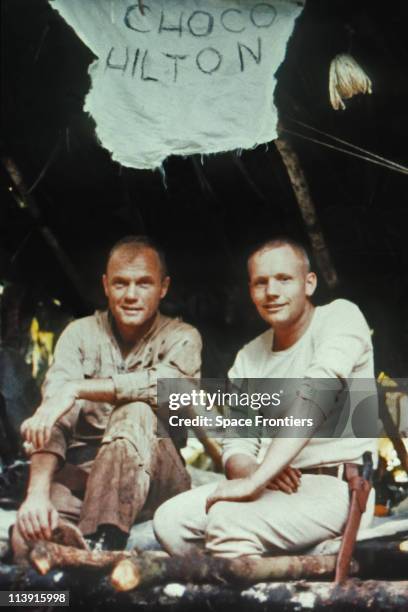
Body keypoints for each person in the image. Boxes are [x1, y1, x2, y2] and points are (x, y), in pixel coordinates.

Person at [154, 238, 377, 558]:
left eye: (284, 279)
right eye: (261, 282)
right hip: (277, 489)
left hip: (339, 488)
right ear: (251, 290)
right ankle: (266, 566)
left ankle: (254, 588)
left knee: (227, 522)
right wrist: (256, 472)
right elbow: (238, 446)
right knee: (170, 520)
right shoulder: (250, 357)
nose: (271, 291)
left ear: (309, 283)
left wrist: (259, 476)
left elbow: (317, 394)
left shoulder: (340, 317)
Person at [12, 236, 202, 557]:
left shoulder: (183, 337)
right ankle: (47, 599)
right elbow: (53, 421)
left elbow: (169, 386)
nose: (130, 295)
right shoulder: (79, 334)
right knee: (28, 534)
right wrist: (37, 494)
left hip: (156, 479)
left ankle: (101, 544)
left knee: (136, 410)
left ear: (163, 287)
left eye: (143, 284)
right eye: (120, 283)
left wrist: (78, 388)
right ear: (105, 285)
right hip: (82, 478)